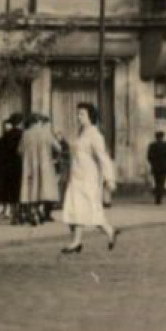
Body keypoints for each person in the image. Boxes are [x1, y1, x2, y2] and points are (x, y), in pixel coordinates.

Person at [60, 103, 117, 254]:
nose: (78, 117)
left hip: (88, 177)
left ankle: (107, 231)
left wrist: (109, 179)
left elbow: (103, 157)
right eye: (78, 114)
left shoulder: (95, 134)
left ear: (90, 116)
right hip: (76, 176)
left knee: (90, 208)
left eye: (82, 114)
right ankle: (79, 241)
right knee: (76, 207)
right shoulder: (81, 133)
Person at [20, 113, 60, 227]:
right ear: (39, 122)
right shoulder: (46, 133)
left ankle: (33, 211)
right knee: (43, 188)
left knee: (31, 188)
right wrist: (53, 158)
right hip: (44, 165)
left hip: (29, 166)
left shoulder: (25, 134)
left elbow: (20, 150)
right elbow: (58, 147)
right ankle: (40, 210)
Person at [0, 114, 25, 224]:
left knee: (8, 189)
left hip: (4, 167)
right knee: (17, 190)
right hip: (18, 166)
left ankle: (11, 213)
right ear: (20, 123)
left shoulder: (2, 138)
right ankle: (16, 213)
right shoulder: (23, 136)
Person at [146, 130, 166, 205]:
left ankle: (157, 198)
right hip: (164, 167)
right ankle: (159, 198)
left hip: (155, 167)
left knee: (157, 182)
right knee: (162, 183)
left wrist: (153, 163)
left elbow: (149, 157)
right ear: (162, 137)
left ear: (156, 137)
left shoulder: (152, 145)